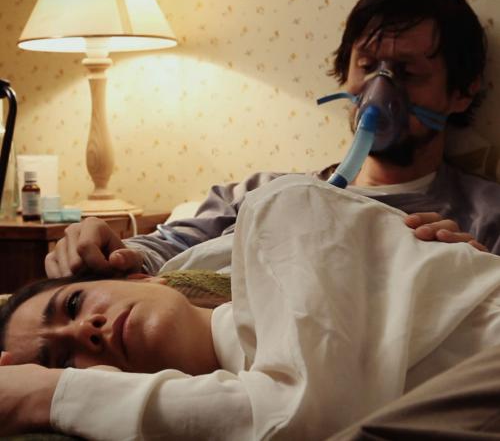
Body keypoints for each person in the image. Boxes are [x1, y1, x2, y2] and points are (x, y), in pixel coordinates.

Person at [45, 0, 500, 281]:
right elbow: (162, 250)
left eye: (408, 72)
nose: (381, 90)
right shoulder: (259, 195)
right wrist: (105, 247)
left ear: (462, 92)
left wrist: (480, 277)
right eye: (367, 66)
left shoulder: (483, 219)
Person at [2, 174, 500, 440]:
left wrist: (48, 393)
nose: (84, 332)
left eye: (73, 303)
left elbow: (298, 421)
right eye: (64, 361)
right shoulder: (236, 383)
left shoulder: (284, 206)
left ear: (142, 277)